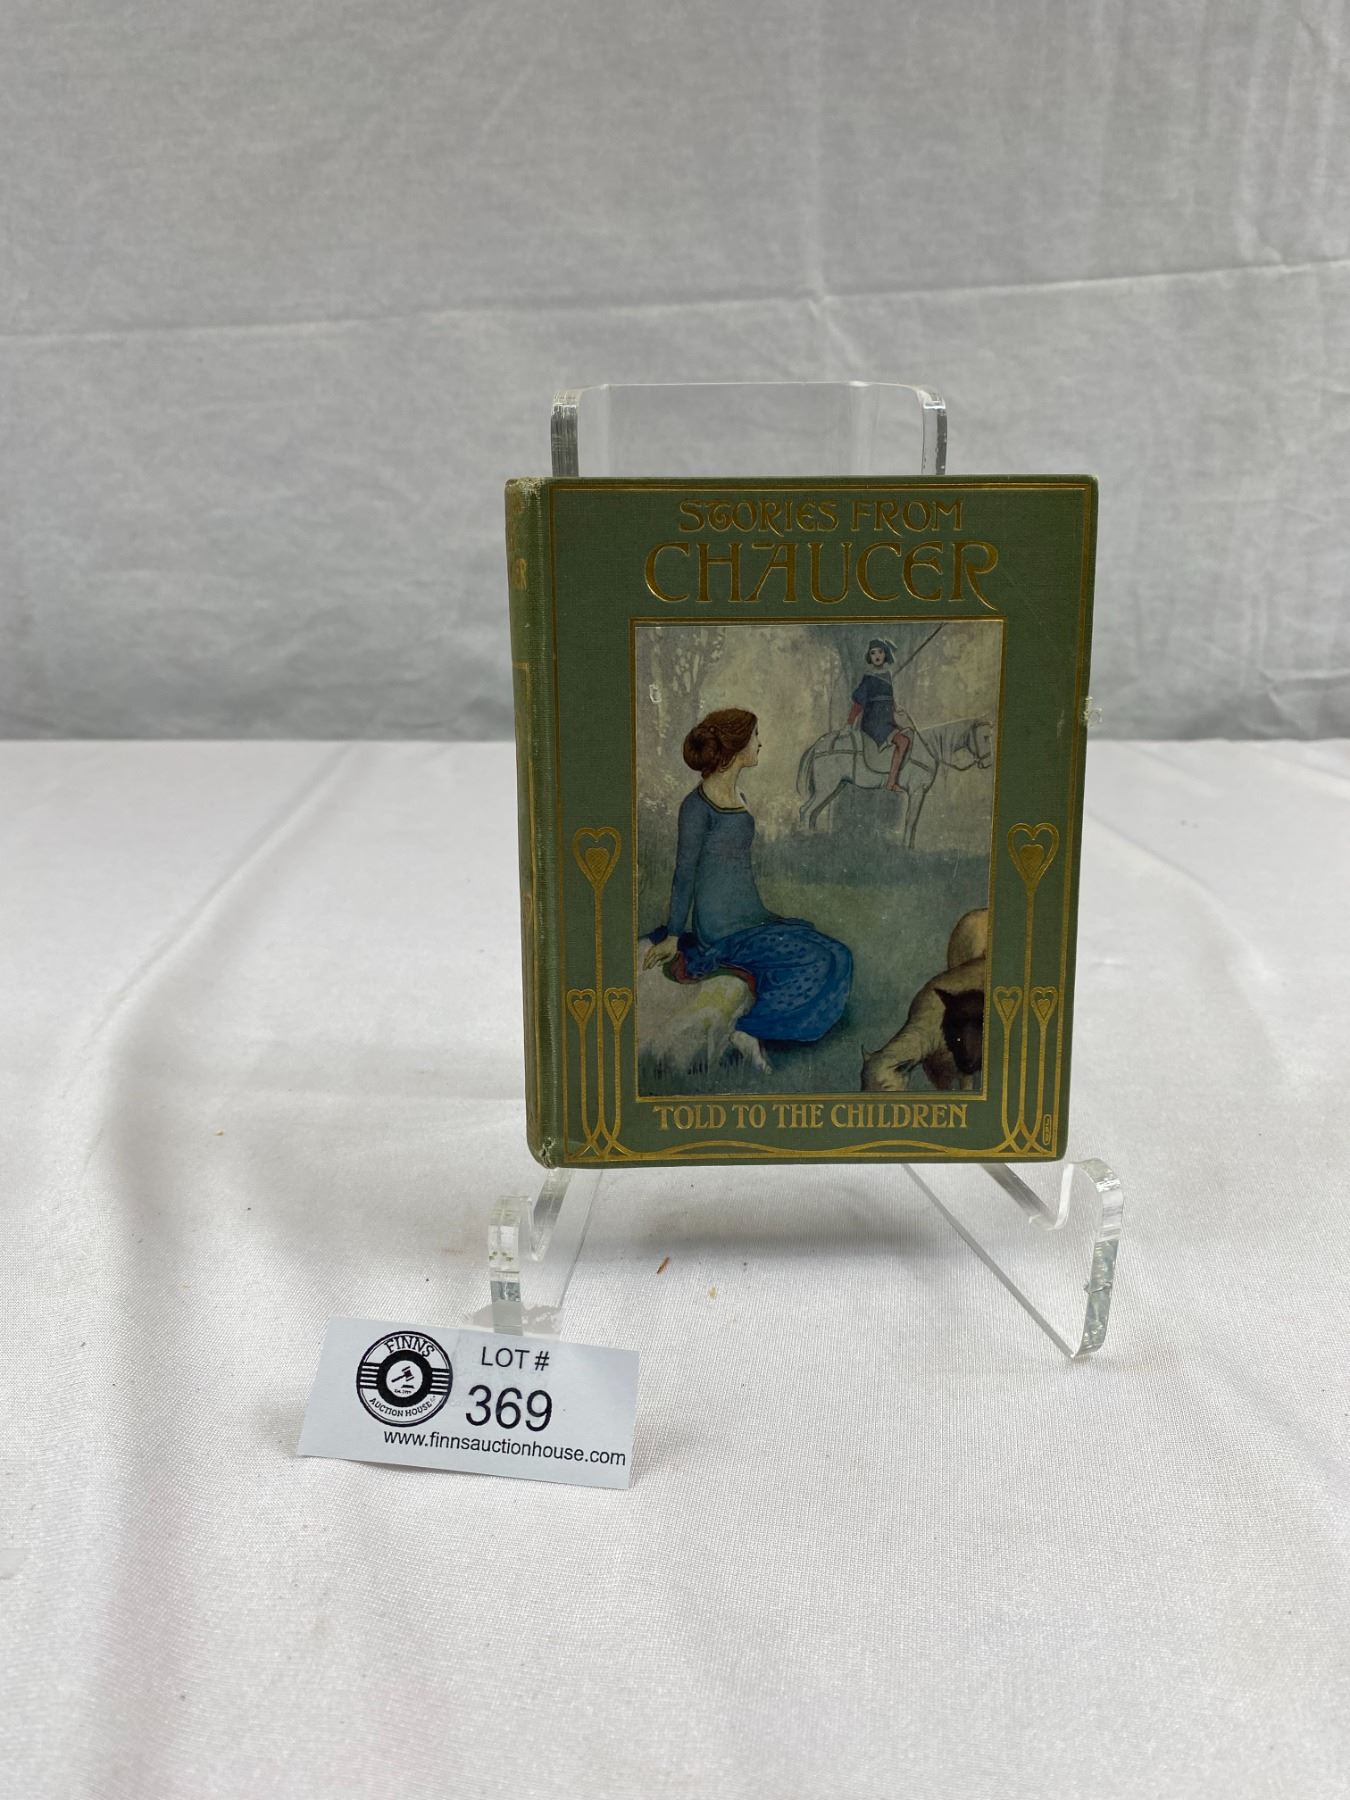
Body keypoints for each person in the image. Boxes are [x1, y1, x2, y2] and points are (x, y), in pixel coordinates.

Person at [644, 708, 852, 1044]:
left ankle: (767, 1024)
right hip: (722, 927)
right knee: (814, 960)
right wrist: (673, 934)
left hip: (753, 917)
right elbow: (684, 871)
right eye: (755, 736)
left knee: (840, 955)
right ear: (736, 746)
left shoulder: (740, 798)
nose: (760, 743)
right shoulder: (696, 807)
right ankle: (751, 1030)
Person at [847, 638, 912, 792]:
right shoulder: (869, 677)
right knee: (903, 741)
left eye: (880, 652)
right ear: (869, 656)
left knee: (910, 734)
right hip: (874, 722)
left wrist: (896, 707)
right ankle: (891, 783)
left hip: (888, 720)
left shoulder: (888, 675)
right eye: (873, 653)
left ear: (885, 654)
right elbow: (858, 704)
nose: (877, 656)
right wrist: (849, 723)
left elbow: (887, 698)